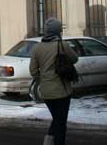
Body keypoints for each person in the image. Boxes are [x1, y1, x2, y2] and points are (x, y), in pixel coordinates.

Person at [30, 17, 78, 145]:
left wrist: (42, 80)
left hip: (46, 92)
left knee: (57, 119)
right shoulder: (63, 45)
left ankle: (48, 141)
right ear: (58, 31)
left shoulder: (37, 47)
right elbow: (75, 59)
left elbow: (33, 70)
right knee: (60, 122)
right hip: (62, 91)